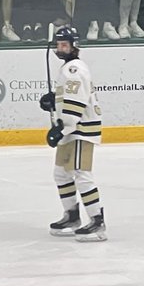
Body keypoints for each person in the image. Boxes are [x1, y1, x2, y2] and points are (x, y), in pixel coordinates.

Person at [40, 25, 106, 242]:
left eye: (65, 45)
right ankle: (72, 216)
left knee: (80, 173)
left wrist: (61, 128)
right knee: (61, 173)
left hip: (79, 129)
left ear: (74, 46)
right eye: (58, 44)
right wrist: (54, 99)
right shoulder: (70, 68)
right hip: (72, 128)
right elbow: (68, 96)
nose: (61, 48)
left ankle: (97, 222)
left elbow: (76, 104)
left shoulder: (74, 69)